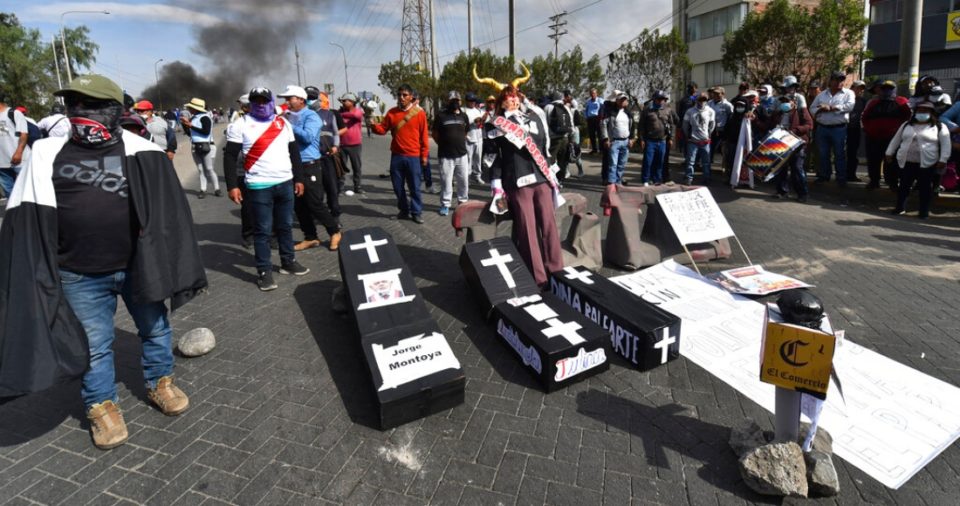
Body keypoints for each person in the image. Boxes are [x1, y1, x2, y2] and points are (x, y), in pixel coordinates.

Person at [0, 74, 206, 449]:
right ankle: (101, 406)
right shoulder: (47, 152)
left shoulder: (144, 151)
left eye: (92, 105)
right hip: (77, 273)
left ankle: (161, 381)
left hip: (138, 265)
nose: (82, 112)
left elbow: (168, 218)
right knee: (94, 344)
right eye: (74, 104)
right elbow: (25, 216)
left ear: (116, 111)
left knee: (156, 328)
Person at [223, 87, 309, 291]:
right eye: (256, 101)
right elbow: (230, 156)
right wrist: (232, 185)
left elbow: (294, 151)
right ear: (250, 103)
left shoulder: (282, 122)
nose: (261, 104)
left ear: (271, 102)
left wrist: (299, 178)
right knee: (262, 231)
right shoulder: (240, 125)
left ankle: (288, 262)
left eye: (264, 100)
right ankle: (264, 271)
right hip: (258, 185)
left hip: (285, 183)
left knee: (285, 226)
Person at [481, 75, 561, 287]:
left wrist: (551, 171)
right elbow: (491, 156)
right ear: (501, 101)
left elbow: (545, 144)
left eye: (515, 96)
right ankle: (539, 278)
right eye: (508, 98)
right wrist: (496, 183)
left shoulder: (534, 118)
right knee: (528, 230)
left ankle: (558, 272)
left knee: (550, 225)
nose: (513, 100)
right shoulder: (493, 125)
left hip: (541, 177)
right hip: (516, 180)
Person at [279, 85, 343, 253]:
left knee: (314, 203)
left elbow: (307, 137)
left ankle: (334, 232)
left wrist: (287, 124)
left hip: (310, 165)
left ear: (301, 99)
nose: (287, 102)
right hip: (292, 165)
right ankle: (310, 237)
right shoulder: (287, 116)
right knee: (299, 205)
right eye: (285, 99)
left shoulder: (311, 116)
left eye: (289, 98)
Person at [371, 84, 429, 224]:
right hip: (396, 156)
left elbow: (424, 137)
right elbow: (382, 130)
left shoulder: (419, 113)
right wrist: (372, 125)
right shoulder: (392, 113)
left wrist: (424, 155)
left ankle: (416, 212)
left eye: (405, 95)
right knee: (397, 187)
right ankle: (404, 210)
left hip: (413, 157)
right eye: (399, 95)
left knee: (414, 187)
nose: (401, 97)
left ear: (411, 97)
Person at [886, 101, 951, 219]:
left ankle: (923, 212)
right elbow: (896, 140)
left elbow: (946, 144)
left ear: (931, 113)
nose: (922, 112)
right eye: (919, 110)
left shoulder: (939, 126)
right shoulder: (907, 125)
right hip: (907, 161)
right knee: (904, 186)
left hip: (927, 163)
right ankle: (899, 208)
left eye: (925, 111)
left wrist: (943, 159)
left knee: (925, 188)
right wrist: (889, 153)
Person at [861, 80, 912, 190]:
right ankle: (874, 181)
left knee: (892, 161)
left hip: (893, 138)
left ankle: (892, 182)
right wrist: (869, 130)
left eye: (889, 88)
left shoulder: (902, 101)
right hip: (873, 137)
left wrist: (899, 132)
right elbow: (864, 117)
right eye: (884, 88)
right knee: (873, 159)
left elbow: (908, 117)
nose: (886, 91)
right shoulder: (873, 102)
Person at [761, 95, 813, 201]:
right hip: (780, 144)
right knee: (780, 169)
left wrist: (794, 131)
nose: (784, 103)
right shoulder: (778, 114)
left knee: (797, 169)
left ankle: (802, 194)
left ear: (794, 102)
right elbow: (767, 125)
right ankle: (781, 191)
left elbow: (809, 125)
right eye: (782, 101)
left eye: (787, 101)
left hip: (797, 144)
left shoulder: (800, 111)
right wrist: (755, 120)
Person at [810, 71, 855, 186]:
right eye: (836, 79)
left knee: (839, 154)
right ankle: (824, 176)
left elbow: (849, 106)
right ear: (831, 81)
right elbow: (812, 108)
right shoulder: (822, 95)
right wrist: (820, 109)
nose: (839, 82)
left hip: (839, 128)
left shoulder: (848, 93)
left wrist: (831, 108)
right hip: (822, 128)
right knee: (823, 154)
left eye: (841, 80)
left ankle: (841, 178)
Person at [223, 94, 256, 248]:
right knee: (248, 206)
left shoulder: (270, 122)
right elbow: (231, 153)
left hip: (265, 171)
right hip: (244, 169)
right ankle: (248, 235)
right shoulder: (236, 124)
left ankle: (271, 234)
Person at [433, 91, 470, 216]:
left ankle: (463, 203)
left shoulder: (464, 116)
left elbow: (465, 132)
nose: (455, 102)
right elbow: (435, 134)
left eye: (457, 100)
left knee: (463, 180)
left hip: (462, 155)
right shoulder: (441, 116)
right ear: (448, 101)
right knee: (446, 181)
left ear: (460, 102)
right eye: (452, 100)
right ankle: (445, 204)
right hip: (445, 156)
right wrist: (445, 144)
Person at [308, 90, 343, 215]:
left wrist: (335, 146)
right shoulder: (303, 115)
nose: (310, 100)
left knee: (332, 187)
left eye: (312, 98)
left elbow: (336, 133)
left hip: (328, 157)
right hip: (312, 159)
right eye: (307, 98)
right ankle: (318, 213)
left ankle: (335, 214)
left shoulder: (329, 115)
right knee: (316, 190)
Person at [180, 98, 220, 198]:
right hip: (195, 146)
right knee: (201, 169)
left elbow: (205, 132)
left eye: (190, 107)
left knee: (209, 169)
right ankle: (203, 189)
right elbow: (190, 134)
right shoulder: (193, 118)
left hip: (207, 145)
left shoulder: (205, 118)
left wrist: (190, 125)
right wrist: (185, 125)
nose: (188, 108)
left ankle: (217, 189)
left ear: (195, 108)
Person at [637, 90, 674, 185]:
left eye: (663, 99)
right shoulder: (647, 110)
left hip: (662, 140)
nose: (661, 101)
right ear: (654, 99)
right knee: (648, 161)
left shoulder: (668, 109)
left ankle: (657, 179)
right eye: (659, 99)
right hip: (650, 140)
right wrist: (641, 139)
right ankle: (645, 179)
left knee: (660, 161)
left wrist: (670, 138)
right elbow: (641, 126)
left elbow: (671, 124)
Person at [600, 92, 635, 185]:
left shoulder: (628, 113)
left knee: (621, 165)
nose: (624, 101)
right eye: (622, 100)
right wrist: (606, 139)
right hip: (614, 142)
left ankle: (618, 183)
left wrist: (631, 139)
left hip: (625, 142)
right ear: (617, 101)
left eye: (625, 100)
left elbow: (632, 126)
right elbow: (603, 125)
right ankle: (611, 184)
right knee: (613, 165)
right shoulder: (610, 112)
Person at [682, 92, 716, 185]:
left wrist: (709, 135)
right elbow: (685, 124)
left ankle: (706, 178)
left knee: (706, 162)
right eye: (700, 100)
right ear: (696, 100)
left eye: (704, 100)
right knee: (690, 161)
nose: (702, 102)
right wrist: (687, 136)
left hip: (705, 141)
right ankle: (689, 178)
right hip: (693, 141)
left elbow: (712, 124)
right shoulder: (690, 111)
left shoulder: (710, 111)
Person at [0, 92, 29, 197]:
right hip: (2, 164)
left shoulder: (14, 113)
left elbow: (23, 134)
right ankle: (16, 213)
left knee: (27, 190)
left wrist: (19, 152)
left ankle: (31, 212)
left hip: (19, 160)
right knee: (10, 194)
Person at [338, 92, 365, 194]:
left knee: (356, 167)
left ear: (353, 102)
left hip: (355, 145)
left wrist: (340, 114)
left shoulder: (357, 111)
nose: (344, 102)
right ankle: (340, 187)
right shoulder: (339, 112)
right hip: (342, 144)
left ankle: (357, 186)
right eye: (343, 101)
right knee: (341, 167)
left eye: (346, 101)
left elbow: (355, 115)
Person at [544, 91, 573, 183]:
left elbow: (544, 123)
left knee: (551, 159)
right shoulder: (566, 108)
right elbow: (571, 124)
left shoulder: (548, 107)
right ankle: (561, 179)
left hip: (553, 138)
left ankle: (551, 178)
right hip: (564, 137)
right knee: (563, 160)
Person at [846, 80, 867, 182]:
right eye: (858, 88)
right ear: (852, 87)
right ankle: (840, 174)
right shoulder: (844, 98)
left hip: (855, 129)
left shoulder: (863, 101)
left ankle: (851, 174)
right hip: (843, 127)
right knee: (841, 152)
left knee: (853, 153)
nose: (860, 91)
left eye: (862, 89)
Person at [708, 87, 733, 165]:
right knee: (710, 147)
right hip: (711, 130)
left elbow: (731, 117)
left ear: (723, 94)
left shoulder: (727, 105)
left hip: (722, 130)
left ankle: (725, 165)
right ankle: (708, 163)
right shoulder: (709, 103)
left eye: (718, 93)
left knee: (723, 149)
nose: (715, 95)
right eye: (714, 93)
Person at [463, 93, 485, 184]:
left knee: (478, 159)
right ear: (467, 101)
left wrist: (482, 120)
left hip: (479, 138)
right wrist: (473, 122)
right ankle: (467, 177)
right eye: (470, 101)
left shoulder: (477, 110)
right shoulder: (463, 110)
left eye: (473, 101)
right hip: (469, 138)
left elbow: (483, 121)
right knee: (468, 159)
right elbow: (462, 123)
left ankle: (477, 176)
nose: (472, 102)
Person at [584, 88, 603, 153]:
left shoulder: (600, 100)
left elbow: (603, 109)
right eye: (591, 93)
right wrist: (586, 117)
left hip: (598, 118)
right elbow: (585, 110)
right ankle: (594, 149)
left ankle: (601, 149)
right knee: (592, 135)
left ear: (596, 94)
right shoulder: (588, 102)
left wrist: (602, 118)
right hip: (590, 119)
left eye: (594, 93)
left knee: (600, 134)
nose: (593, 95)